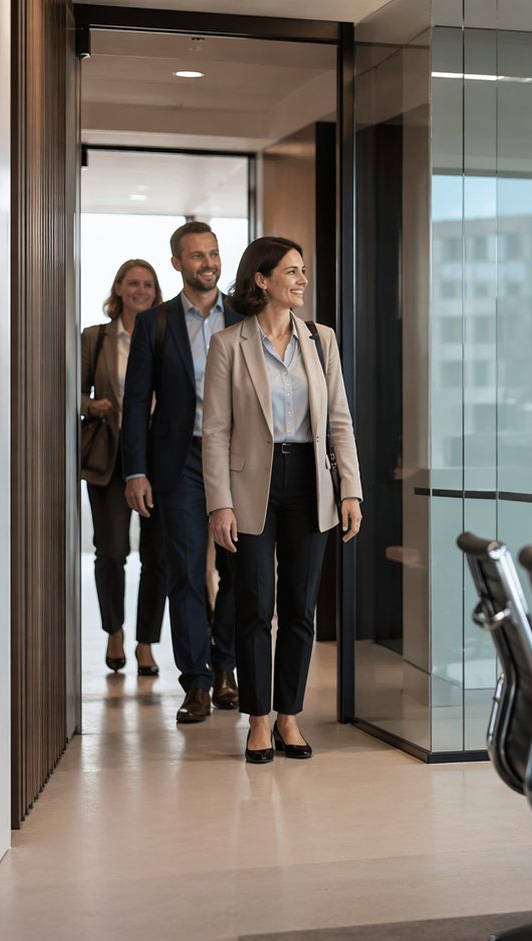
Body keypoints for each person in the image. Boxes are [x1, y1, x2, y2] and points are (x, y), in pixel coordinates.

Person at [202, 236, 362, 763]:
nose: (302, 280)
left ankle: (289, 716)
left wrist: (350, 491)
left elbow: (339, 418)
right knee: (254, 605)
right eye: (291, 271)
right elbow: (217, 431)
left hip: (310, 481)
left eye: (303, 270)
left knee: (300, 606)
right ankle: (258, 719)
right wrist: (219, 504)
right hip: (252, 484)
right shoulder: (229, 344)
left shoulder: (322, 340)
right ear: (262, 280)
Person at [122, 221, 242, 723]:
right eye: (196, 256)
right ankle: (195, 682)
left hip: (237, 458)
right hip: (180, 461)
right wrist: (136, 471)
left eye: (213, 253)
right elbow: (134, 401)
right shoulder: (157, 323)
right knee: (188, 572)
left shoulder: (243, 316)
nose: (207, 263)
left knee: (238, 571)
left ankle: (225, 670)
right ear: (177, 263)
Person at [83, 259, 169, 677]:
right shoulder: (95, 338)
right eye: (133, 283)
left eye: (148, 284)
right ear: (118, 288)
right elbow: (72, 392)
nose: (141, 290)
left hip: (161, 459)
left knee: (158, 557)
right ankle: (114, 630)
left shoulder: (165, 333)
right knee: (112, 552)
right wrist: (91, 405)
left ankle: (146, 643)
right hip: (111, 460)